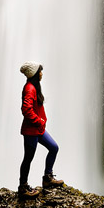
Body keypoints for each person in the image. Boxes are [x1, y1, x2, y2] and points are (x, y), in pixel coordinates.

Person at [17, 61, 64, 198]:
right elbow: (26, 109)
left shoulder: (34, 87)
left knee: (54, 147)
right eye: (40, 71)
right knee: (28, 158)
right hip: (31, 131)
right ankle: (23, 187)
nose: (42, 74)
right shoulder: (30, 88)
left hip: (38, 130)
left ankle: (47, 178)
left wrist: (41, 123)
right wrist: (39, 121)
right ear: (35, 74)